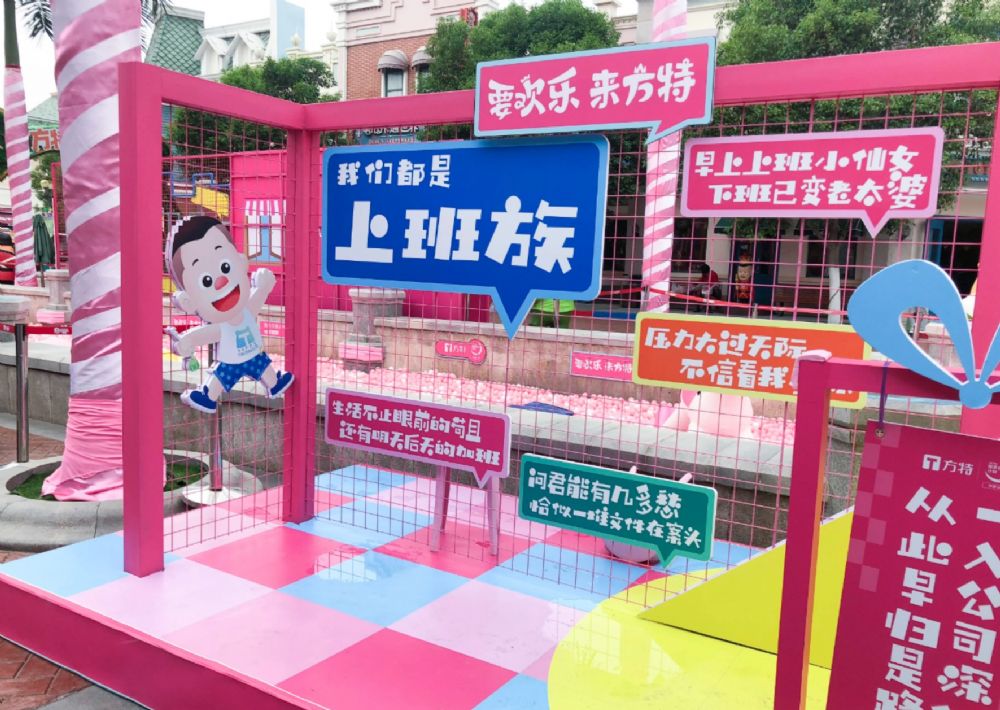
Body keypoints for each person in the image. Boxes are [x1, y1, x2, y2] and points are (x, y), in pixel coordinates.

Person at [167, 216, 293, 413]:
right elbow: (206, 334)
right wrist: (186, 341)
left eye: (226, 267)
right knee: (220, 376)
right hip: (231, 361)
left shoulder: (245, 310)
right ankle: (208, 397)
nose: (221, 282)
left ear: (240, 263)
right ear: (188, 301)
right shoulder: (221, 325)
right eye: (206, 281)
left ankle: (275, 384)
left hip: (254, 354)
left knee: (262, 366)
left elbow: (256, 299)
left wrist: (263, 288)